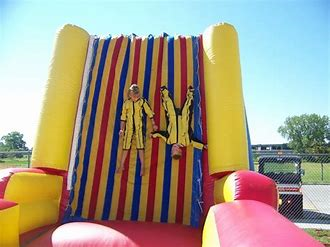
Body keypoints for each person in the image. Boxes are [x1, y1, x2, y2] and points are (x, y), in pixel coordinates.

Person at [151, 85, 206, 160]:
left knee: (169, 107)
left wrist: (153, 135)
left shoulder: (169, 140)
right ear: (180, 150)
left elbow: (161, 134)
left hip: (172, 118)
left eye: (172, 151)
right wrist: (203, 146)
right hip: (184, 119)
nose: (173, 149)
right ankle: (190, 94)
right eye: (175, 150)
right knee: (187, 109)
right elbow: (195, 143)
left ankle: (164, 92)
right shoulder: (186, 142)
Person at [117, 84, 157, 176]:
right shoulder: (126, 103)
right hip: (129, 128)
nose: (136, 97)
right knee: (126, 146)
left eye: (137, 95)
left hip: (139, 127)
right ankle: (122, 165)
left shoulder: (142, 102)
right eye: (134, 96)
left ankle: (142, 165)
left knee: (140, 146)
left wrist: (153, 124)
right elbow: (123, 117)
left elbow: (149, 112)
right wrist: (121, 129)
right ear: (130, 95)